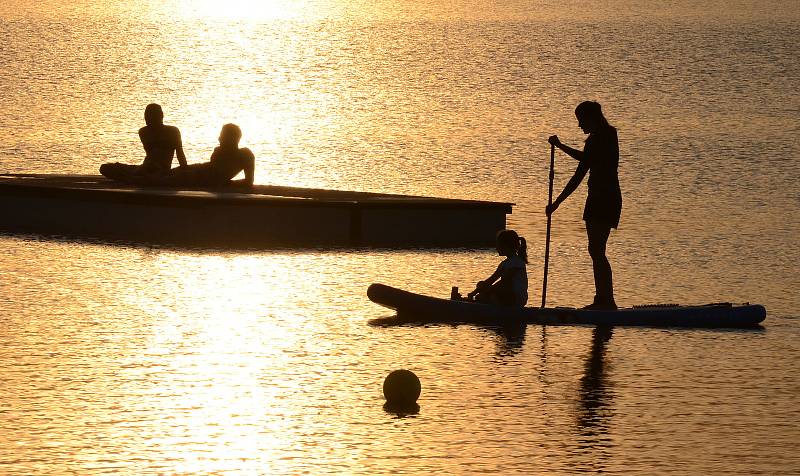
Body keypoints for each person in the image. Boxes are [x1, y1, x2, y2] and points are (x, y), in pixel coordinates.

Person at [547, 101, 622, 310]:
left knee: (597, 250)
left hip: (604, 198)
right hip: (599, 197)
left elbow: (583, 167)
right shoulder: (601, 138)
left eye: (581, 120)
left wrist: (557, 202)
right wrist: (557, 203)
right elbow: (583, 167)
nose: (579, 125)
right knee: (595, 249)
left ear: (592, 118)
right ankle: (603, 299)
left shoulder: (605, 137)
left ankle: (606, 301)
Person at [123, 123, 255, 187]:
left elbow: (248, 182)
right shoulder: (218, 151)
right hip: (201, 171)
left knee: (166, 179)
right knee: (173, 172)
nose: (219, 139)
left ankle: (136, 178)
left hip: (200, 178)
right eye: (221, 135)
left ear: (233, 139)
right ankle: (141, 172)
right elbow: (213, 168)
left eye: (222, 136)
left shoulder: (246, 155)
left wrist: (227, 184)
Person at [100, 103, 187, 180]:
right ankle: (135, 176)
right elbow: (151, 156)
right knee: (105, 168)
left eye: (150, 116)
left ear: (160, 116)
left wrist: (184, 171)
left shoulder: (173, 131)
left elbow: (180, 154)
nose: (146, 119)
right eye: (146, 116)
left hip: (162, 170)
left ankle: (135, 177)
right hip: (146, 168)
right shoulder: (143, 132)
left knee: (150, 174)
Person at [468, 229, 529, 307]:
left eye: (498, 245)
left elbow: (505, 281)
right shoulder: (504, 264)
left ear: (507, 246)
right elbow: (492, 279)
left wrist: (488, 291)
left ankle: (498, 310)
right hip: (506, 294)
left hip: (516, 298)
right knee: (482, 285)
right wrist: (474, 292)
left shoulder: (517, 262)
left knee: (491, 294)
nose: (496, 248)